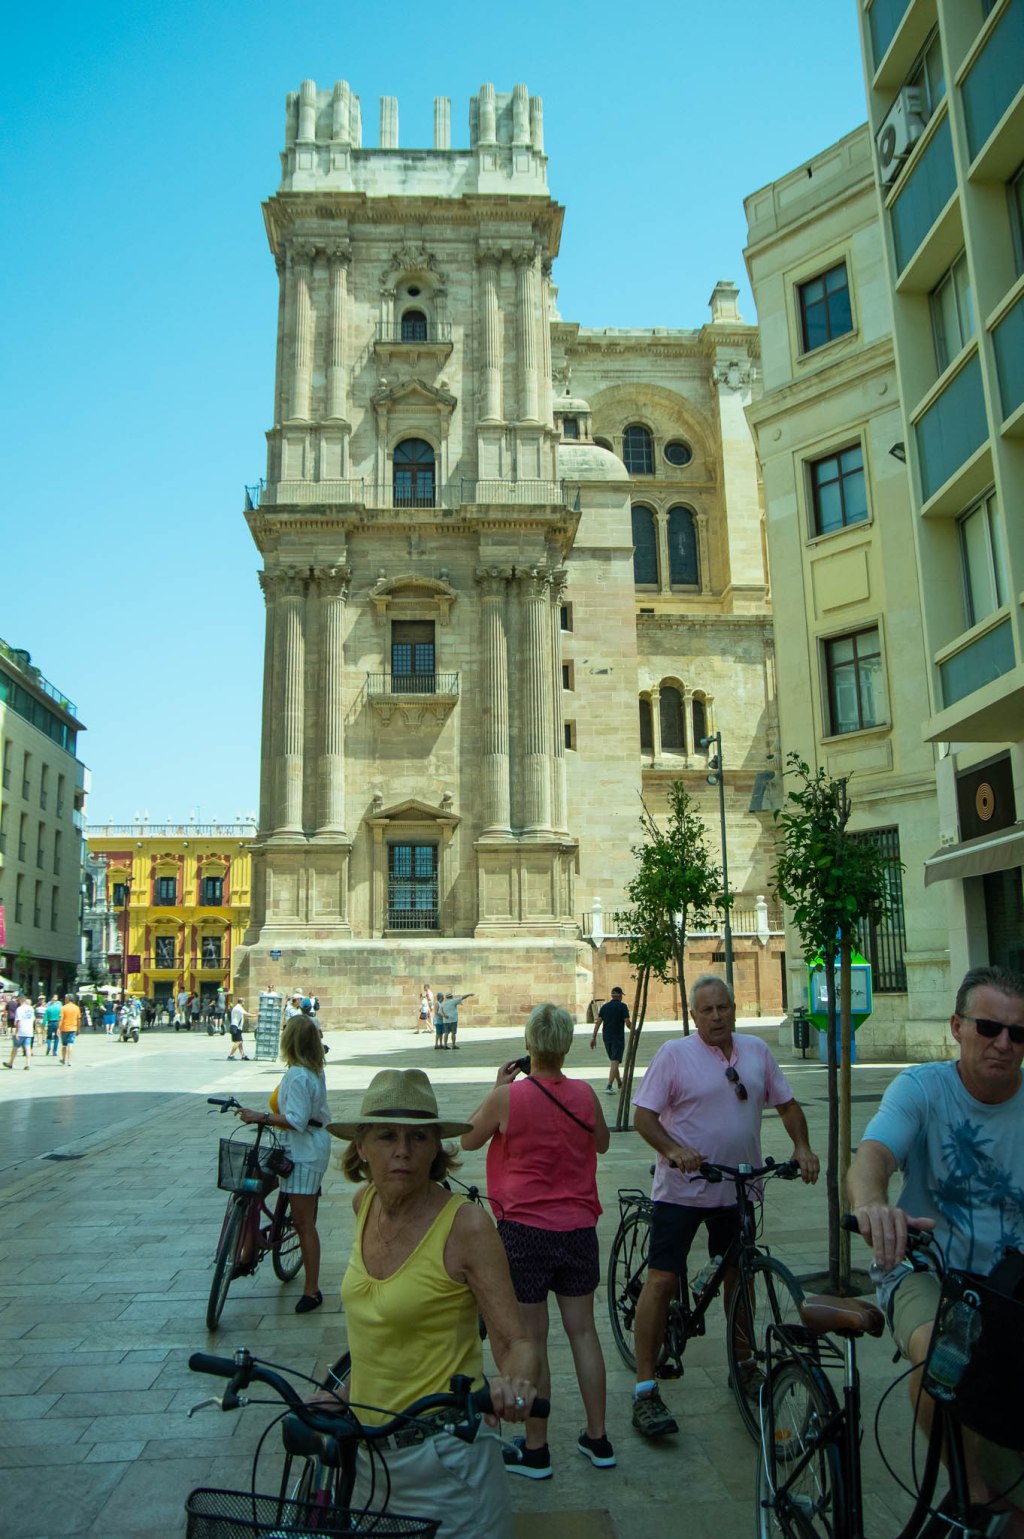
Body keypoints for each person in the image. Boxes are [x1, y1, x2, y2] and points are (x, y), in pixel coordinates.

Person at [327, 1068, 542, 1539]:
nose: (402, 1150)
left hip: (447, 1465)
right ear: (361, 1145)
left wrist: (515, 1385)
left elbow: (515, 1338)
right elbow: (383, 1339)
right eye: (386, 1136)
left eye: (418, 1137)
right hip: (368, 1462)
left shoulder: (466, 1227)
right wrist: (341, 1395)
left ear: (436, 1148)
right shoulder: (363, 1205)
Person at [848, 964, 1024, 1530]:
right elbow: (873, 1155)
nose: (1003, 1043)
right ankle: (976, 1497)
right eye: (989, 1027)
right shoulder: (921, 1087)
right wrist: (873, 1204)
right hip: (929, 1264)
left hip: (1011, 1277)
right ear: (956, 1026)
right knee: (938, 1354)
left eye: (1018, 1033)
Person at [629, 972, 819, 1438]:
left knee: (740, 1276)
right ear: (693, 1016)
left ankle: (744, 1362)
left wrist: (803, 1147)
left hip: (738, 1188)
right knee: (662, 1278)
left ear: (735, 1008)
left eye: (724, 1007)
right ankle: (645, 1388)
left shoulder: (756, 1051)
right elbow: (643, 1117)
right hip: (682, 1191)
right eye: (707, 1010)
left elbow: (788, 1105)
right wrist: (673, 1150)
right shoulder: (675, 1056)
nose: (717, 1016)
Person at [462, 1002, 614, 1480]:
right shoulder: (586, 1094)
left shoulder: (510, 1098)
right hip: (578, 1229)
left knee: (531, 1338)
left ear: (530, 1046)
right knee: (584, 1333)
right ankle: (597, 1437)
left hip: (524, 1232)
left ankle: (536, 1447)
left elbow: (467, 1140)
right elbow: (603, 1143)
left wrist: (497, 1090)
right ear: (566, 1045)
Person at [236, 1013, 330, 1312]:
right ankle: (247, 1252)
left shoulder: (300, 1075)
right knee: (251, 1189)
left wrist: (258, 1116)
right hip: (291, 1149)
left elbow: (297, 1121)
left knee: (304, 1224)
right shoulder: (308, 1070)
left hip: (303, 1152)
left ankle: (312, 1291)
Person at [591, 987, 633, 1095]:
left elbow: (598, 1023)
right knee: (615, 1060)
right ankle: (609, 1085)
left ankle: (619, 1083)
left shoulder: (605, 1007)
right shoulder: (623, 1007)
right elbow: (627, 1022)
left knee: (614, 1060)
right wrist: (634, 1031)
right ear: (619, 996)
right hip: (617, 1038)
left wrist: (593, 1037)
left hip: (606, 1037)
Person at [4, 996, 35, 1069]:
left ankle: (10, 1063)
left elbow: (18, 1021)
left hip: (21, 1030)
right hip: (29, 1030)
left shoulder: (19, 1009)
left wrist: (17, 1032)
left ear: (20, 1001)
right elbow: (33, 1019)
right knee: (28, 1047)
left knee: (15, 1047)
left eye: (18, 1000)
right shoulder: (31, 1008)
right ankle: (28, 1064)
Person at [58, 994, 81, 1066]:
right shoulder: (76, 1008)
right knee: (70, 1044)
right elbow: (78, 1019)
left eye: (65, 999)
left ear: (68, 999)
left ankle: (63, 1059)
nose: (65, 1000)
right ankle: (69, 1061)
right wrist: (78, 1029)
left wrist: (58, 1028)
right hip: (73, 1028)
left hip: (64, 1028)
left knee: (64, 1045)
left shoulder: (64, 1008)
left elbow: (61, 1019)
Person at [433, 984, 446, 1049]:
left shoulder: (441, 1003)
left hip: (441, 1020)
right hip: (438, 1020)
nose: (443, 998)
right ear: (440, 997)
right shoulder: (437, 1003)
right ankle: (436, 1044)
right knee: (438, 1033)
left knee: (441, 1033)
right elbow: (436, 1012)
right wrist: (442, 1015)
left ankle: (441, 1044)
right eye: (443, 997)